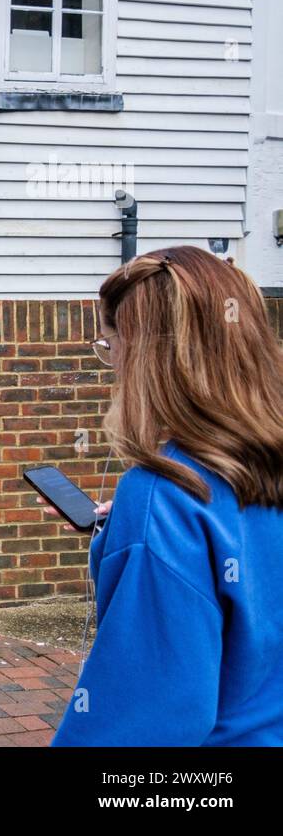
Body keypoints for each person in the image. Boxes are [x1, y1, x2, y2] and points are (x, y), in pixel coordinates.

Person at [51, 247, 283, 746]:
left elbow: (141, 726)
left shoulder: (166, 496)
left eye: (111, 347)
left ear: (148, 358)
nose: (112, 367)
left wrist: (149, 526)